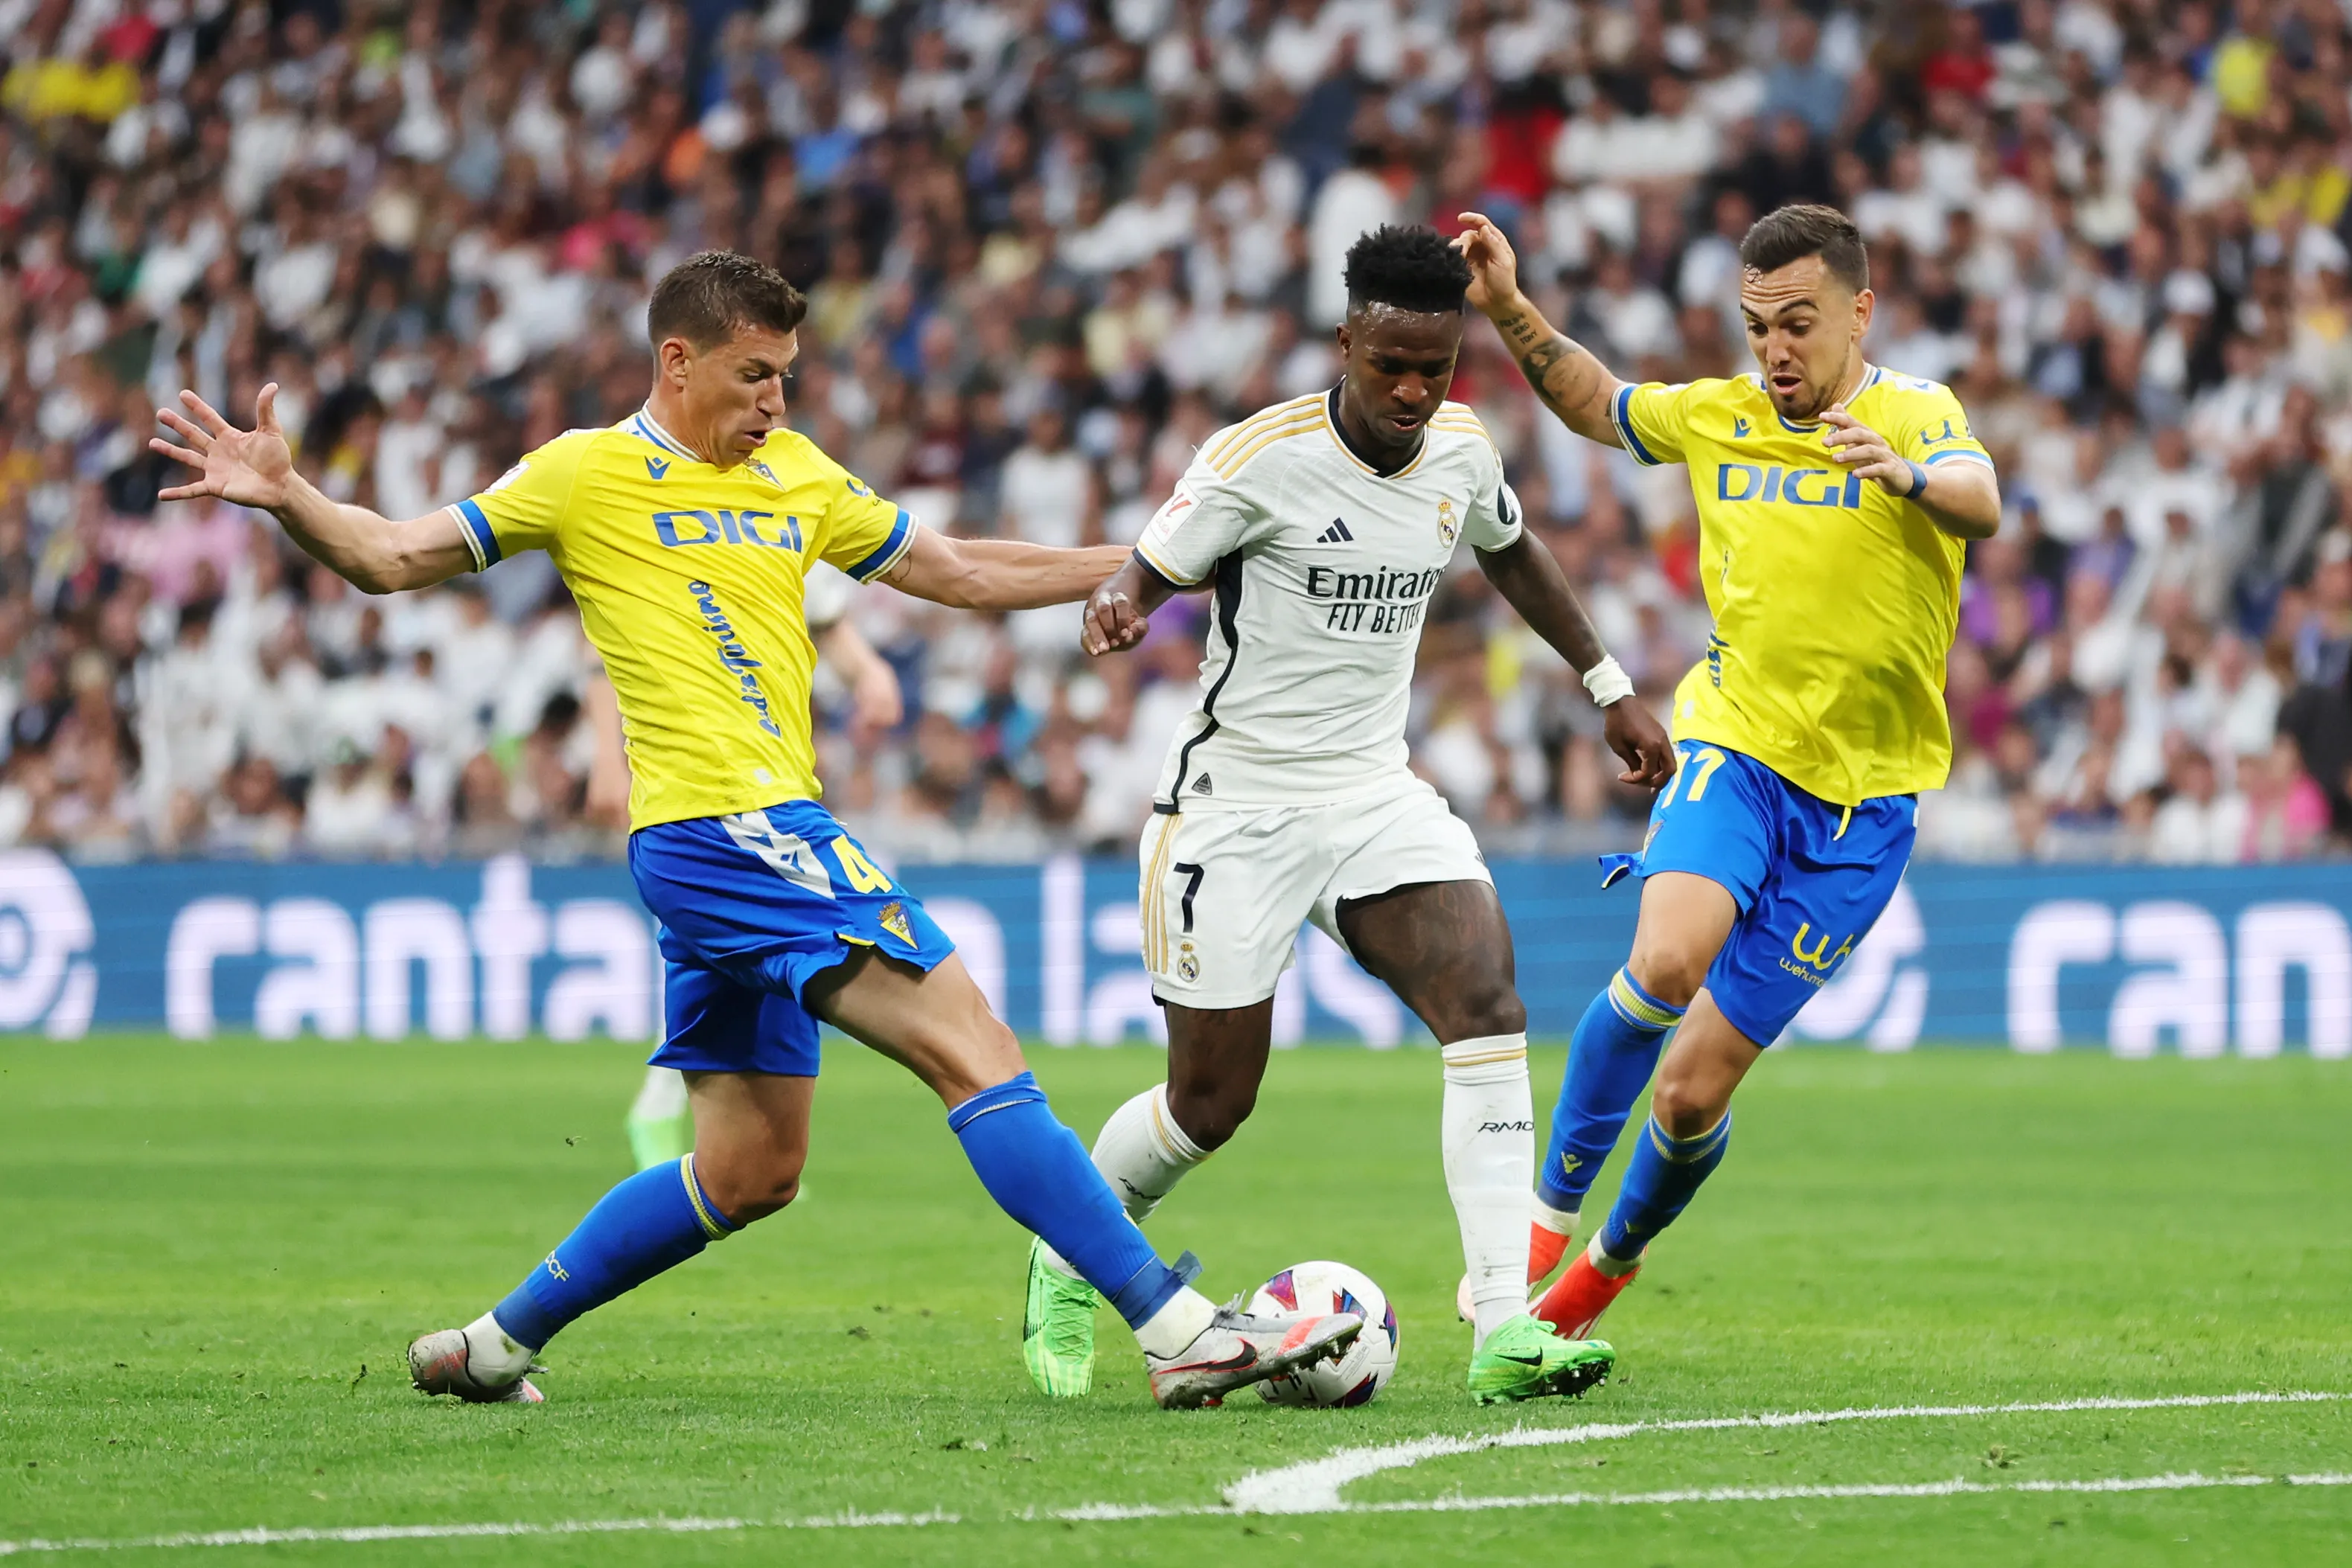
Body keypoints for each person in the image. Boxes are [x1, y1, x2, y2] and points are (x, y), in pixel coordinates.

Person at [150, 249, 1362, 1411]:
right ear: (676, 363)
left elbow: (959, 569)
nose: (778, 399)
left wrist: (1159, 559)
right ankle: (1181, 1331)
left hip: (724, 849)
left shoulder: (799, 476)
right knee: (974, 1045)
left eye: (787, 373)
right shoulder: (584, 473)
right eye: (754, 374)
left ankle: (491, 1341)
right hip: (731, 830)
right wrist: (292, 497)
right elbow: (392, 556)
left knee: (748, 1171)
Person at [1023, 225, 1677, 1407]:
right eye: (1393, 366)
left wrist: (1610, 687)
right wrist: (1122, 603)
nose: (1416, 391)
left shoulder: (1461, 450)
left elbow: (1517, 555)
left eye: (1438, 366)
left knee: (1486, 1000)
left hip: (1376, 792)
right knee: (1209, 1102)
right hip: (1238, 806)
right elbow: (1152, 564)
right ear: (1347, 342)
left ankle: (1502, 1323)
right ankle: (1072, 1253)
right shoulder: (1254, 458)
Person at [1450, 204, 1999, 1338]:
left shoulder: (1919, 414)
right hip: (1735, 747)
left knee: (1692, 1090)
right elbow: (1600, 402)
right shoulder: (1724, 415)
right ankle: (1539, 1226)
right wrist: (1507, 305)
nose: (1776, 351)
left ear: (1859, 310)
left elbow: (1982, 500)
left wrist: (1901, 476)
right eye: (1757, 328)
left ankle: (1610, 1258)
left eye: (1798, 324)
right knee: (1661, 957)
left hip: (1862, 811)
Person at [615, 568, 904, 1172]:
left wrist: (871, 674)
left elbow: (830, 624)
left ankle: (726, 1138)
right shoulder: (653, 513)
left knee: (770, 957)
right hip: (701, 789)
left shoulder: (782, 506)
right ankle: (672, 1110)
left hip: (780, 779)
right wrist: (601, 755)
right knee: (748, 945)